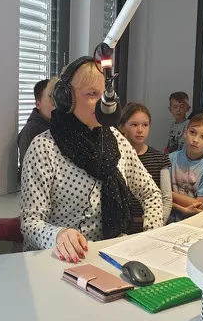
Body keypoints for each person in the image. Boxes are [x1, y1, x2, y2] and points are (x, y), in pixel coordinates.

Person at [20, 57, 168, 262]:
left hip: (108, 255)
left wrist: (150, 237)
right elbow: (30, 222)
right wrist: (58, 235)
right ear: (66, 98)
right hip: (57, 259)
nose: (103, 103)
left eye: (105, 94)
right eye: (92, 94)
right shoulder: (44, 147)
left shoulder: (116, 139)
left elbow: (151, 193)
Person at [119, 102, 172, 234]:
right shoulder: (114, 157)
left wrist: (157, 227)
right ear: (122, 127)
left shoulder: (159, 158)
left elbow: (166, 198)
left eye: (145, 125)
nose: (140, 130)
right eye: (134, 125)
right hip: (119, 227)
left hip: (150, 226)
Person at [168, 113, 203, 222]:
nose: (196, 140)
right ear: (185, 132)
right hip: (167, 219)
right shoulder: (170, 158)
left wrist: (167, 193)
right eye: (192, 132)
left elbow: (200, 204)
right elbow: (157, 197)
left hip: (195, 221)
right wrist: (182, 209)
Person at [17, 78, 58, 177]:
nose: (56, 103)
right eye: (51, 98)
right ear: (38, 104)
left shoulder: (61, 126)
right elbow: (28, 173)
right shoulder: (30, 132)